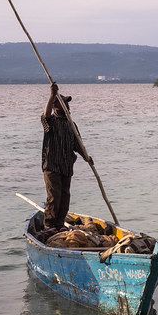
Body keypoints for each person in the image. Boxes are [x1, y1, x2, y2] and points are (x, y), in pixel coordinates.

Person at [41, 82, 93, 231]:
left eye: (66, 103)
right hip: (52, 165)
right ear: (55, 106)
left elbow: (78, 144)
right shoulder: (51, 121)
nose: (66, 105)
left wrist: (87, 157)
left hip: (66, 165)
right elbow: (45, 116)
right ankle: (49, 224)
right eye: (62, 103)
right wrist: (52, 95)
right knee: (54, 195)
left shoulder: (71, 125)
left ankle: (59, 223)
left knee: (65, 196)